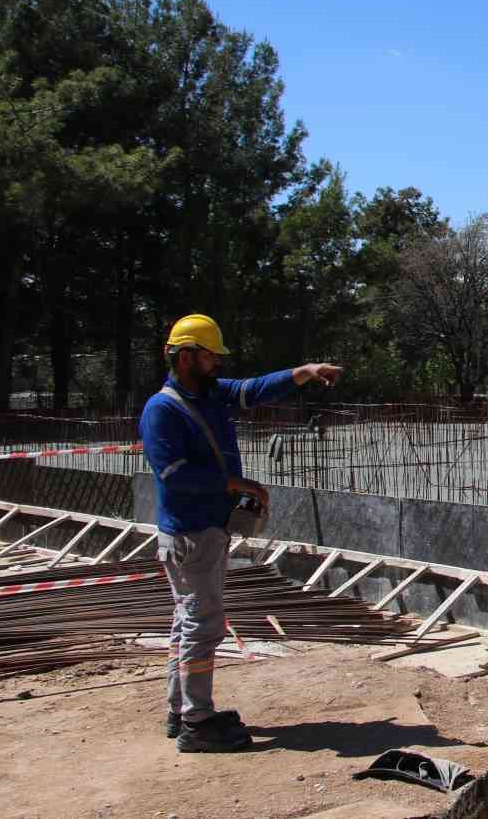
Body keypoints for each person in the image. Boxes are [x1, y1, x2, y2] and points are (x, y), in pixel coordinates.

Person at [139, 314, 343, 752]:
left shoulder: (209, 394)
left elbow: (253, 388)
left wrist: (302, 373)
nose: (217, 364)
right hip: (191, 533)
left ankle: (180, 710)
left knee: (186, 620)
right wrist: (236, 483)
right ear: (187, 356)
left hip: (203, 529)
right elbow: (173, 474)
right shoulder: (163, 410)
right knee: (202, 624)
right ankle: (197, 721)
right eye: (211, 355)